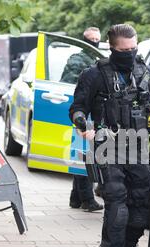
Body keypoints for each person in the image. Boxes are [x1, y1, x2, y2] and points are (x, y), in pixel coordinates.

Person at [69, 24, 150, 247]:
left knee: (142, 207)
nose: (130, 53)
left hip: (141, 145)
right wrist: (82, 124)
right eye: (124, 50)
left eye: (133, 48)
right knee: (117, 207)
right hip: (108, 145)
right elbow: (78, 107)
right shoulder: (94, 74)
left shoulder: (146, 72)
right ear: (112, 48)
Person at [65, 27, 104, 212]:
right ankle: (87, 199)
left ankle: (75, 198)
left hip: (91, 112)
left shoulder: (98, 60)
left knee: (83, 154)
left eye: (98, 39)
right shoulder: (77, 60)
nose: (95, 42)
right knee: (84, 155)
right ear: (85, 41)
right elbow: (71, 84)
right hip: (82, 112)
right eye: (92, 40)